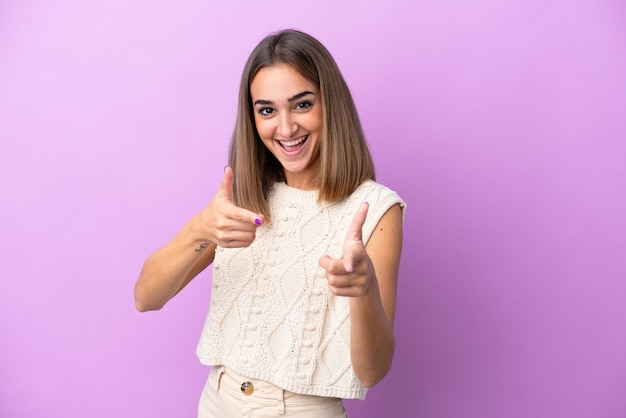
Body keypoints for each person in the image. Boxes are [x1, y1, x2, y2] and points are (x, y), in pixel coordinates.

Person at [134, 29, 406, 417]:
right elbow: (146, 297)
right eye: (266, 110)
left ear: (331, 104)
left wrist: (363, 291)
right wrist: (201, 228)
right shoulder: (244, 197)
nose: (285, 128)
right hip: (216, 401)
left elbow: (372, 371)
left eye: (302, 104)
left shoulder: (376, 209)